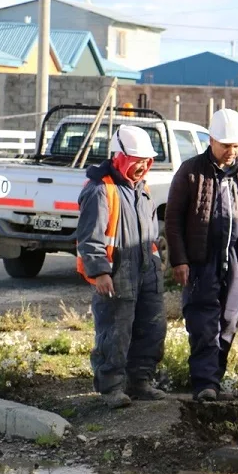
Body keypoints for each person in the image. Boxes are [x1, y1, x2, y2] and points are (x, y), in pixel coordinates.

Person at [165, 108, 238, 402]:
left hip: (235, 260)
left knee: (228, 322)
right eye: (226, 146)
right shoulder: (190, 171)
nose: (231, 152)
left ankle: (215, 380)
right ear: (211, 140)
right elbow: (173, 219)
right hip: (200, 261)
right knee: (202, 322)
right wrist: (180, 260)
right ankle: (204, 384)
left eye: (236, 146)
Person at [76, 124, 167, 409]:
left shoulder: (142, 188)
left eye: (146, 160)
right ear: (120, 156)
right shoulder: (101, 190)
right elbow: (90, 237)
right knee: (115, 331)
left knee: (151, 329)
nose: (142, 166)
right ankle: (111, 387)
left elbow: (149, 233)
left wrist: (156, 260)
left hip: (146, 270)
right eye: (137, 160)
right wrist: (100, 272)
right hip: (117, 273)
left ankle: (140, 382)